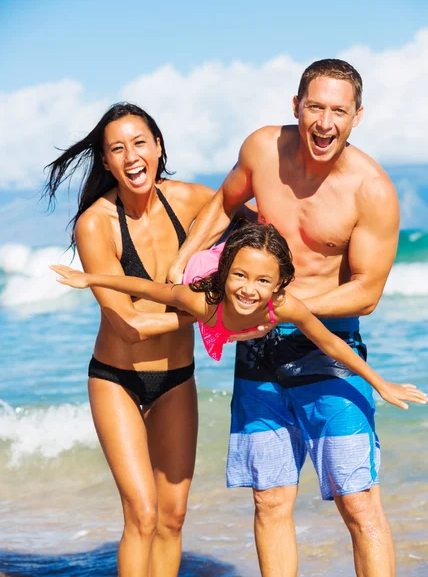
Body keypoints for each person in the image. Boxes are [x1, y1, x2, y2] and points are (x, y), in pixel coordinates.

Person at [164, 59, 409, 577]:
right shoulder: (262, 149)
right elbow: (224, 203)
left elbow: (365, 294)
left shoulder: (372, 190)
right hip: (259, 352)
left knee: (358, 504)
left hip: (327, 350)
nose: (324, 122)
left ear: (357, 116)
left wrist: (283, 307)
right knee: (269, 501)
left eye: (338, 111)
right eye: (315, 107)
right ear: (295, 106)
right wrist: (183, 259)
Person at [43, 102, 216, 577]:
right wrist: (208, 313)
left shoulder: (193, 201)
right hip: (117, 379)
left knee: (174, 516)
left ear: (158, 147)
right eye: (117, 148)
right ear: (105, 161)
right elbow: (128, 325)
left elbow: (260, 218)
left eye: (140, 142)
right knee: (142, 513)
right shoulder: (95, 224)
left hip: (177, 379)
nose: (132, 156)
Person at [51, 222, 426, 412]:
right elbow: (151, 288)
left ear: (279, 286)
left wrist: (380, 383)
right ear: (228, 276)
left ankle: (246, 246)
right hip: (203, 273)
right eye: (242, 277)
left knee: (251, 269)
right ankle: (225, 250)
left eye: (264, 281)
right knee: (184, 279)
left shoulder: (283, 306)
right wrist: (90, 278)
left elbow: (328, 342)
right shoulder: (204, 301)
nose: (250, 290)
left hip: (234, 305)